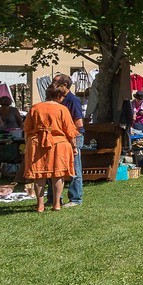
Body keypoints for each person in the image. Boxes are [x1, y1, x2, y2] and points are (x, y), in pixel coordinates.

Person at [23, 82, 78, 212]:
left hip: (37, 143)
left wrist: (27, 145)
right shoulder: (62, 109)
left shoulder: (35, 108)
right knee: (58, 174)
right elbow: (70, 130)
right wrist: (74, 146)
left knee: (39, 175)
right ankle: (56, 204)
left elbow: (27, 128)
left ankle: (40, 205)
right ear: (59, 96)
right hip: (58, 144)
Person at [53, 74, 86, 207]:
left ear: (64, 85)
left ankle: (76, 199)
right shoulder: (57, 100)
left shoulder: (72, 100)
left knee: (74, 168)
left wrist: (73, 139)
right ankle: (55, 198)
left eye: (55, 82)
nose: (52, 84)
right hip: (61, 138)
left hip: (74, 137)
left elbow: (79, 123)